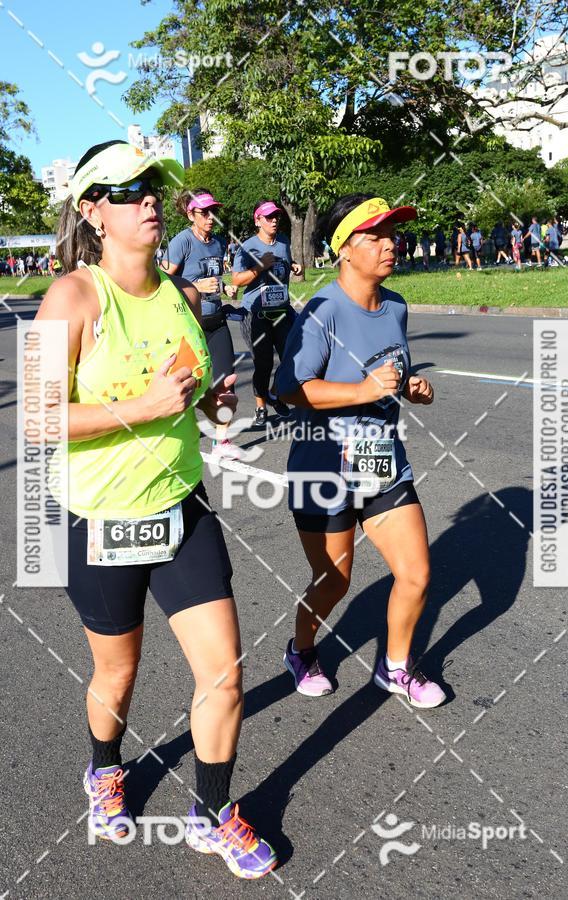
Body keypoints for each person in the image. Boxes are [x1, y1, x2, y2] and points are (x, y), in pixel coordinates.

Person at [36, 140, 276, 879]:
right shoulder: (72, 299)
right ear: (92, 210)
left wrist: (211, 400)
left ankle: (213, 813)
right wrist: (141, 407)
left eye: (152, 187)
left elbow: (194, 397)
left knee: (224, 673)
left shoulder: (181, 294)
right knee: (118, 674)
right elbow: (37, 419)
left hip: (180, 506)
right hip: (99, 519)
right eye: (127, 189)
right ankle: (105, 767)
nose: (148, 199)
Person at [275, 193, 446, 708]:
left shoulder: (396, 306)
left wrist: (411, 388)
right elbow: (290, 388)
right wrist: (363, 391)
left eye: (392, 235)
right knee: (333, 582)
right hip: (323, 466)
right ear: (344, 249)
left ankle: (396, 667)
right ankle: (301, 649)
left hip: (382, 462)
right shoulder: (322, 311)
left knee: (416, 574)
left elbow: (389, 372)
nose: (390, 245)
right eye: (375, 237)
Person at [162, 187, 240, 458]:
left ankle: (222, 440)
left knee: (226, 379)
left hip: (216, 320)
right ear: (190, 214)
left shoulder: (218, 243)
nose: (210, 217)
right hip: (189, 323)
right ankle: (177, 435)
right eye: (204, 212)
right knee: (187, 381)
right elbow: (161, 281)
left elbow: (215, 278)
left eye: (213, 212)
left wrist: (226, 288)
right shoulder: (182, 242)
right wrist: (195, 286)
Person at [231, 200, 302, 427]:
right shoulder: (247, 247)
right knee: (263, 363)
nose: (274, 221)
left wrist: (294, 265)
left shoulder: (283, 241)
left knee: (292, 357)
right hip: (256, 314)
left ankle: (274, 393)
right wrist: (260, 266)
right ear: (257, 221)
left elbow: (284, 261)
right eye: (268, 217)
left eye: (276, 216)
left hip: (281, 310)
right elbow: (236, 280)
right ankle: (261, 406)